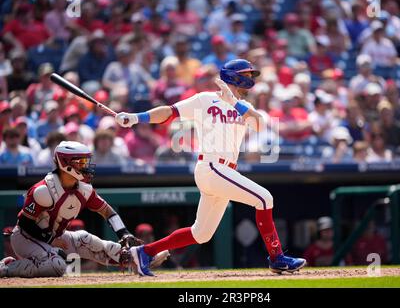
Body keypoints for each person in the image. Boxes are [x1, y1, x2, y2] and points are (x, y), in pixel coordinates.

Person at [115, 59, 306, 276]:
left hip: (225, 172)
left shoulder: (244, 107)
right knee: (264, 199)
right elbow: (169, 112)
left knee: (201, 233)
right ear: (235, 76)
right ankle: (277, 258)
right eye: (248, 74)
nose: (251, 79)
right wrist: (135, 118)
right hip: (212, 166)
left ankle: (144, 252)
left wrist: (233, 101)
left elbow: (261, 125)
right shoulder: (206, 99)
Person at [0, 141, 169, 278]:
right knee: (57, 265)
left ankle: (139, 259)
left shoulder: (84, 189)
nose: (86, 166)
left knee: (86, 239)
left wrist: (123, 233)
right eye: (81, 162)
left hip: (54, 236)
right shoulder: (44, 190)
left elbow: (108, 212)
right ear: (65, 164)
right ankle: (8, 267)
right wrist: (50, 240)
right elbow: (24, 223)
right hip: (26, 238)